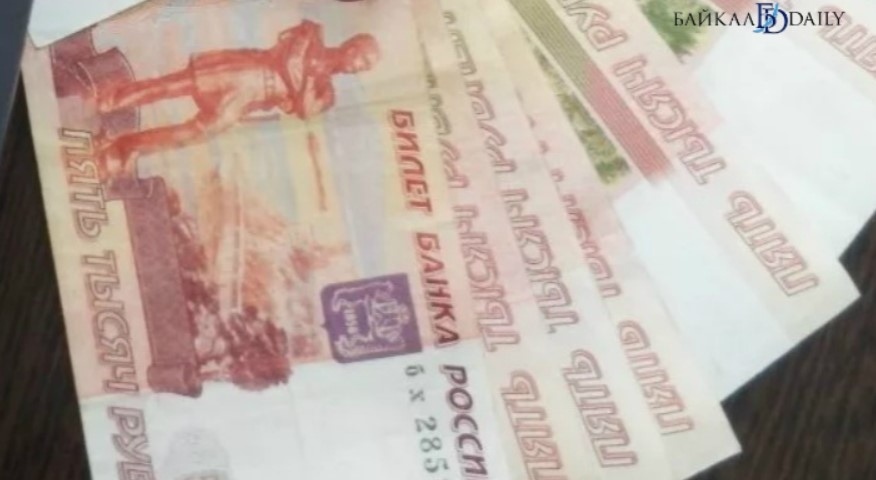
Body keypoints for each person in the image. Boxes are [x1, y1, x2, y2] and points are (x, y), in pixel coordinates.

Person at [96, 20, 379, 177]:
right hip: (242, 70)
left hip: (249, 101)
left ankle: (126, 145)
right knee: (171, 87)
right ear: (351, 46)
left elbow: (306, 110)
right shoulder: (313, 32)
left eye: (365, 68)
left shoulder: (327, 94)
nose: (358, 68)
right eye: (362, 59)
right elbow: (288, 60)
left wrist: (302, 83)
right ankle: (111, 100)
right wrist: (302, 87)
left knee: (193, 134)